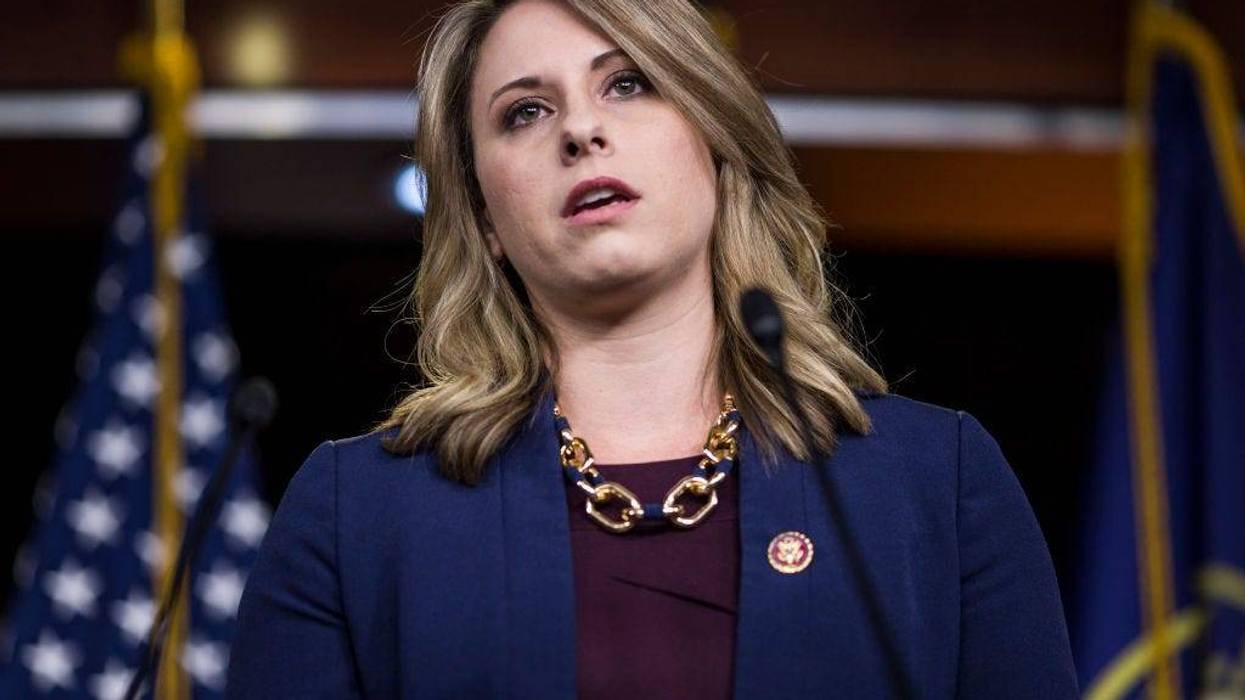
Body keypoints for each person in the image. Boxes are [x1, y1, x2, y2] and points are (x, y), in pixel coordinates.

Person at [225, 0, 1078, 697]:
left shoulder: (933, 482)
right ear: (483, 216)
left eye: (627, 85)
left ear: (713, 138)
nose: (581, 132)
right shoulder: (359, 513)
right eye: (525, 112)